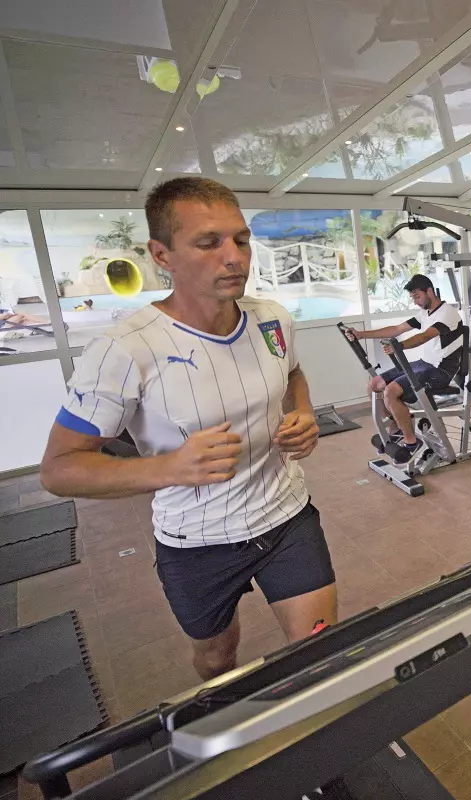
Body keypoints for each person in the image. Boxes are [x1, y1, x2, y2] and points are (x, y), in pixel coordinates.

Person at [39, 177, 335, 681]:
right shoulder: (124, 349)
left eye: (241, 240)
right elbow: (59, 469)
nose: (234, 257)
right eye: (208, 242)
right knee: (217, 659)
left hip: (286, 516)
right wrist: (170, 467)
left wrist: (303, 412)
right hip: (196, 541)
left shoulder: (271, 318)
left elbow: (291, 373)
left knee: (320, 650)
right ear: (162, 255)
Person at [348, 274, 464, 463]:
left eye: (417, 296)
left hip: (440, 370)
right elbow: (397, 329)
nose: (416, 301)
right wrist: (361, 334)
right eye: (413, 298)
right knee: (374, 384)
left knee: (390, 392)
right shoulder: (425, 313)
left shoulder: (447, 313)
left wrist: (399, 346)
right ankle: (396, 431)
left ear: (429, 291)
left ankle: (412, 442)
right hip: (423, 363)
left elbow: (425, 336)